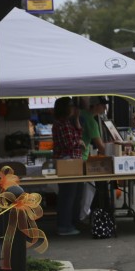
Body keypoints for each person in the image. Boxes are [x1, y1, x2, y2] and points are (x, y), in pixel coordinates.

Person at [52, 97, 84, 236]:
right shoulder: (63, 124)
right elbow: (69, 144)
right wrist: (79, 143)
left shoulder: (65, 123)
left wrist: (76, 120)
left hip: (70, 162)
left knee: (71, 194)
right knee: (68, 195)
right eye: (71, 106)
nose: (73, 109)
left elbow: (78, 133)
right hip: (67, 162)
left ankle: (69, 223)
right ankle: (64, 225)